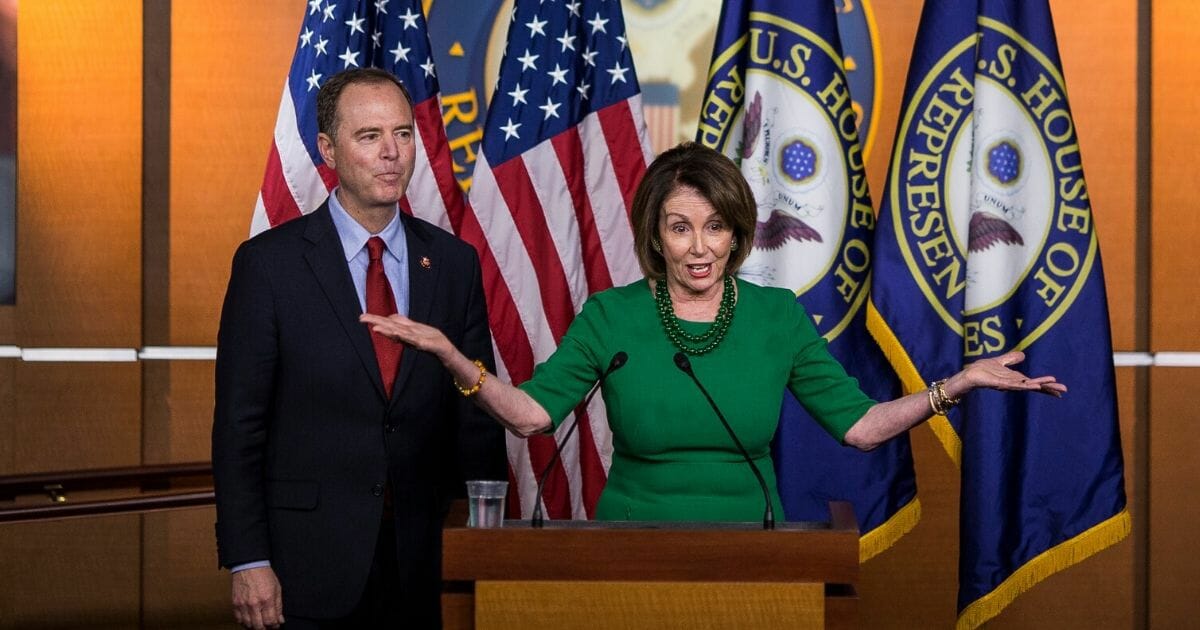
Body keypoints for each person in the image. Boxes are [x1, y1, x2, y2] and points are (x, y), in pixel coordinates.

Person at [361, 141, 1065, 523]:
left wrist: (955, 385)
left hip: (753, 547)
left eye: (716, 226)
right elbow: (534, 417)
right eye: (680, 227)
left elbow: (863, 427)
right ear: (656, 237)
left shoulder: (777, 316)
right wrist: (459, 360)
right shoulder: (614, 314)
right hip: (631, 546)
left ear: (737, 235)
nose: (700, 246)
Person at [212, 68, 506, 629]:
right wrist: (248, 559)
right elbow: (238, 428)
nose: (392, 153)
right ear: (327, 149)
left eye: (403, 133)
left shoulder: (452, 263)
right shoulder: (268, 266)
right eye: (369, 137)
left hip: (425, 563)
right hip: (306, 566)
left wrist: (483, 544)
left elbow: (476, 417)